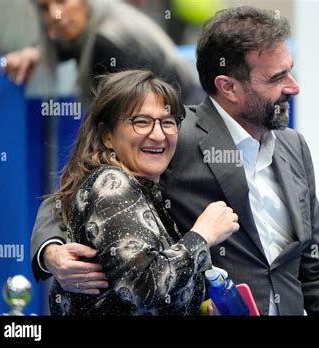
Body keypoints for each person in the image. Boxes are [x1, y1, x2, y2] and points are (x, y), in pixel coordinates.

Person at [31, 6, 319, 315]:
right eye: (276, 78)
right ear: (227, 87)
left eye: (291, 71)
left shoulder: (293, 146)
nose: (294, 87)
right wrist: (51, 251)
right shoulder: (169, 136)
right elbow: (82, 188)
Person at [44, 69, 238, 315]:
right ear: (107, 136)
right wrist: (203, 235)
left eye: (167, 122)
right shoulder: (111, 184)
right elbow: (145, 287)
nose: (158, 135)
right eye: (141, 121)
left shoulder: (146, 188)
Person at [0, 0, 202, 103]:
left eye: (62, 1)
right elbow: (65, 46)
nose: (55, 15)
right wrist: (36, 51)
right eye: (44, 8)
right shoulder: (102, 24)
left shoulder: (105, 44)